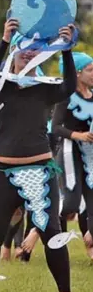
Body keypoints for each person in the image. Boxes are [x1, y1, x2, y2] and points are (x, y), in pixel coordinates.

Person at [0, 19, 77, 292]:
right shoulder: (1, 85)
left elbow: (69, 86)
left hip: (39, 170)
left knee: (52, 230)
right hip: (1, 172)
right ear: (15, 52)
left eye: (35, 50)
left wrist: (65, 50)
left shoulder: (45, 88)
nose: (28, 53)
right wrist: (4, 40)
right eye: (23, 48)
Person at [51, 51, 93, 260]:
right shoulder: (65, 96)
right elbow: (55, 127)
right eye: (90, 69)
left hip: (91, 158)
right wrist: (79, 135)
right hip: (69, 154)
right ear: (77, 73)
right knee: (70, 205)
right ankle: (37, 228)